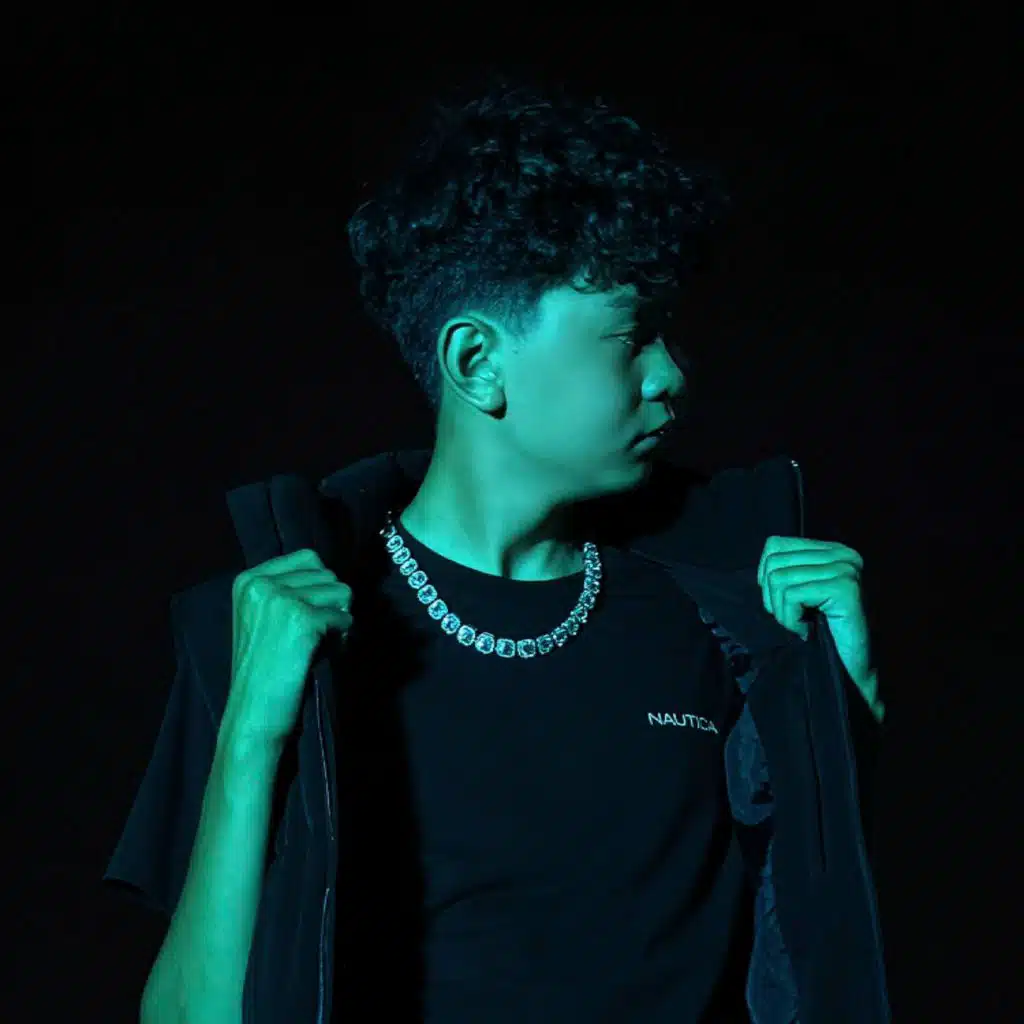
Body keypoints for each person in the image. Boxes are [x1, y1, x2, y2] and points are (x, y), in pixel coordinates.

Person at [104, 72, 890, 1023]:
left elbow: (824, 956)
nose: (670, 374)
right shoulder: (273, 628)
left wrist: (837, 708)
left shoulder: (727, 616)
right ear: (477, 363)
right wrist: (251, 730)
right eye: (630, 337)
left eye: (668, 334)